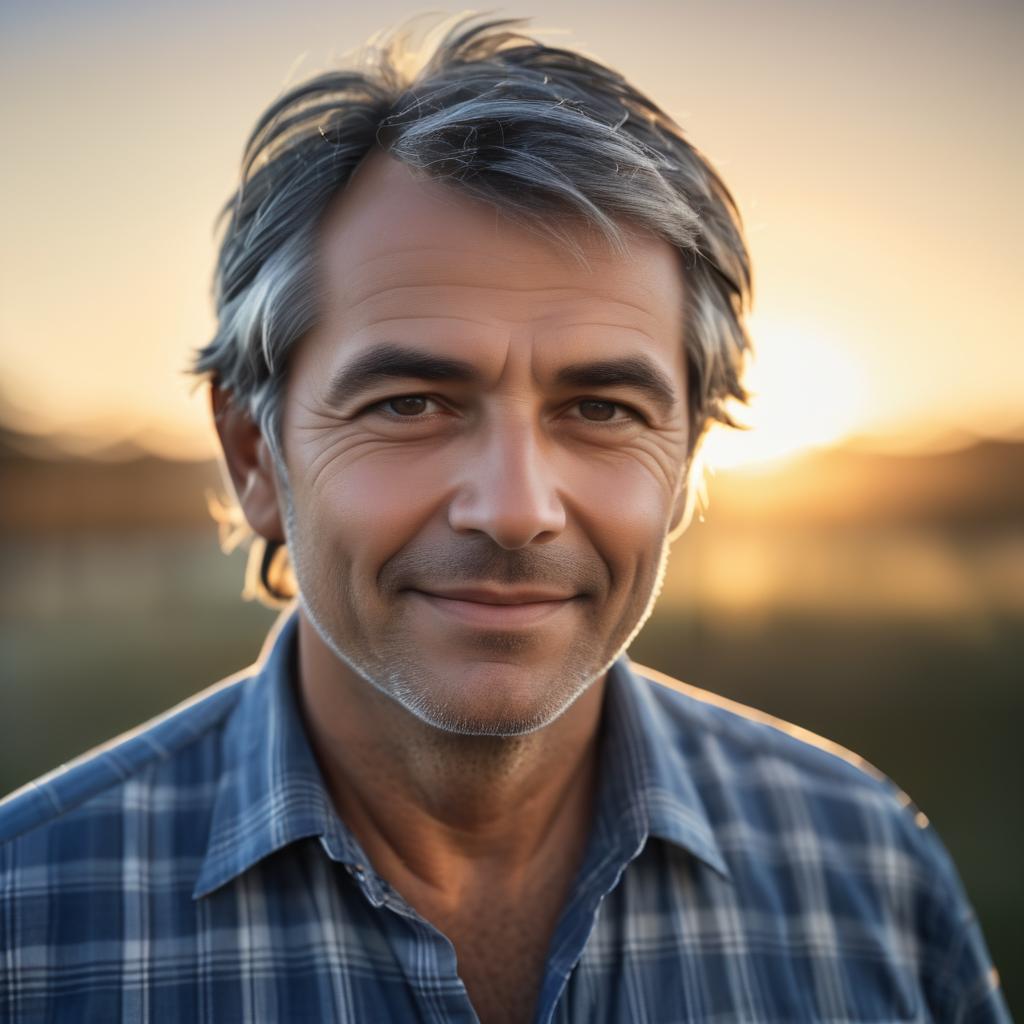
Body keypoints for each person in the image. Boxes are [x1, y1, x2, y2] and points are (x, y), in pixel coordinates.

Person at [0, 14, 1011, 1024]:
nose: (516, 510)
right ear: (255, 455)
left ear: (686, 460)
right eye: (409, 402)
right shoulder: (28, 922)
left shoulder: (868, 866)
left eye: (602, 410)